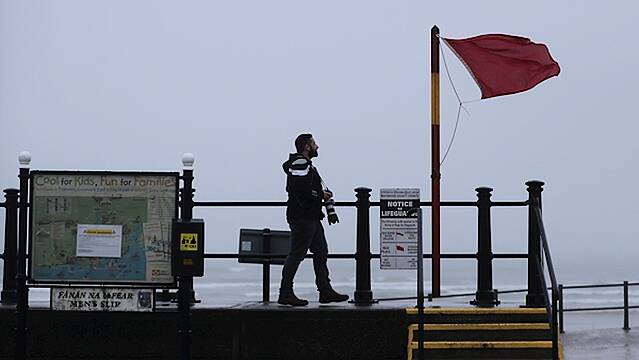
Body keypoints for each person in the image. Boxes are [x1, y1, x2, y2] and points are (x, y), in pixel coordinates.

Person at [278, 134, 349, 306]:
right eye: (314, 143)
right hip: (303, 217)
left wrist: (319, 194)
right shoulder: (301, 163)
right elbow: (300, 190)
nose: (317, 146)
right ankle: (286, 293)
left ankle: (325, 290)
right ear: (307, 147)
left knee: (321, 250)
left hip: (311, 217)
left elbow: (304, 188)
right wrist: (320, 196)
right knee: (297, 254)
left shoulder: (303, 164)